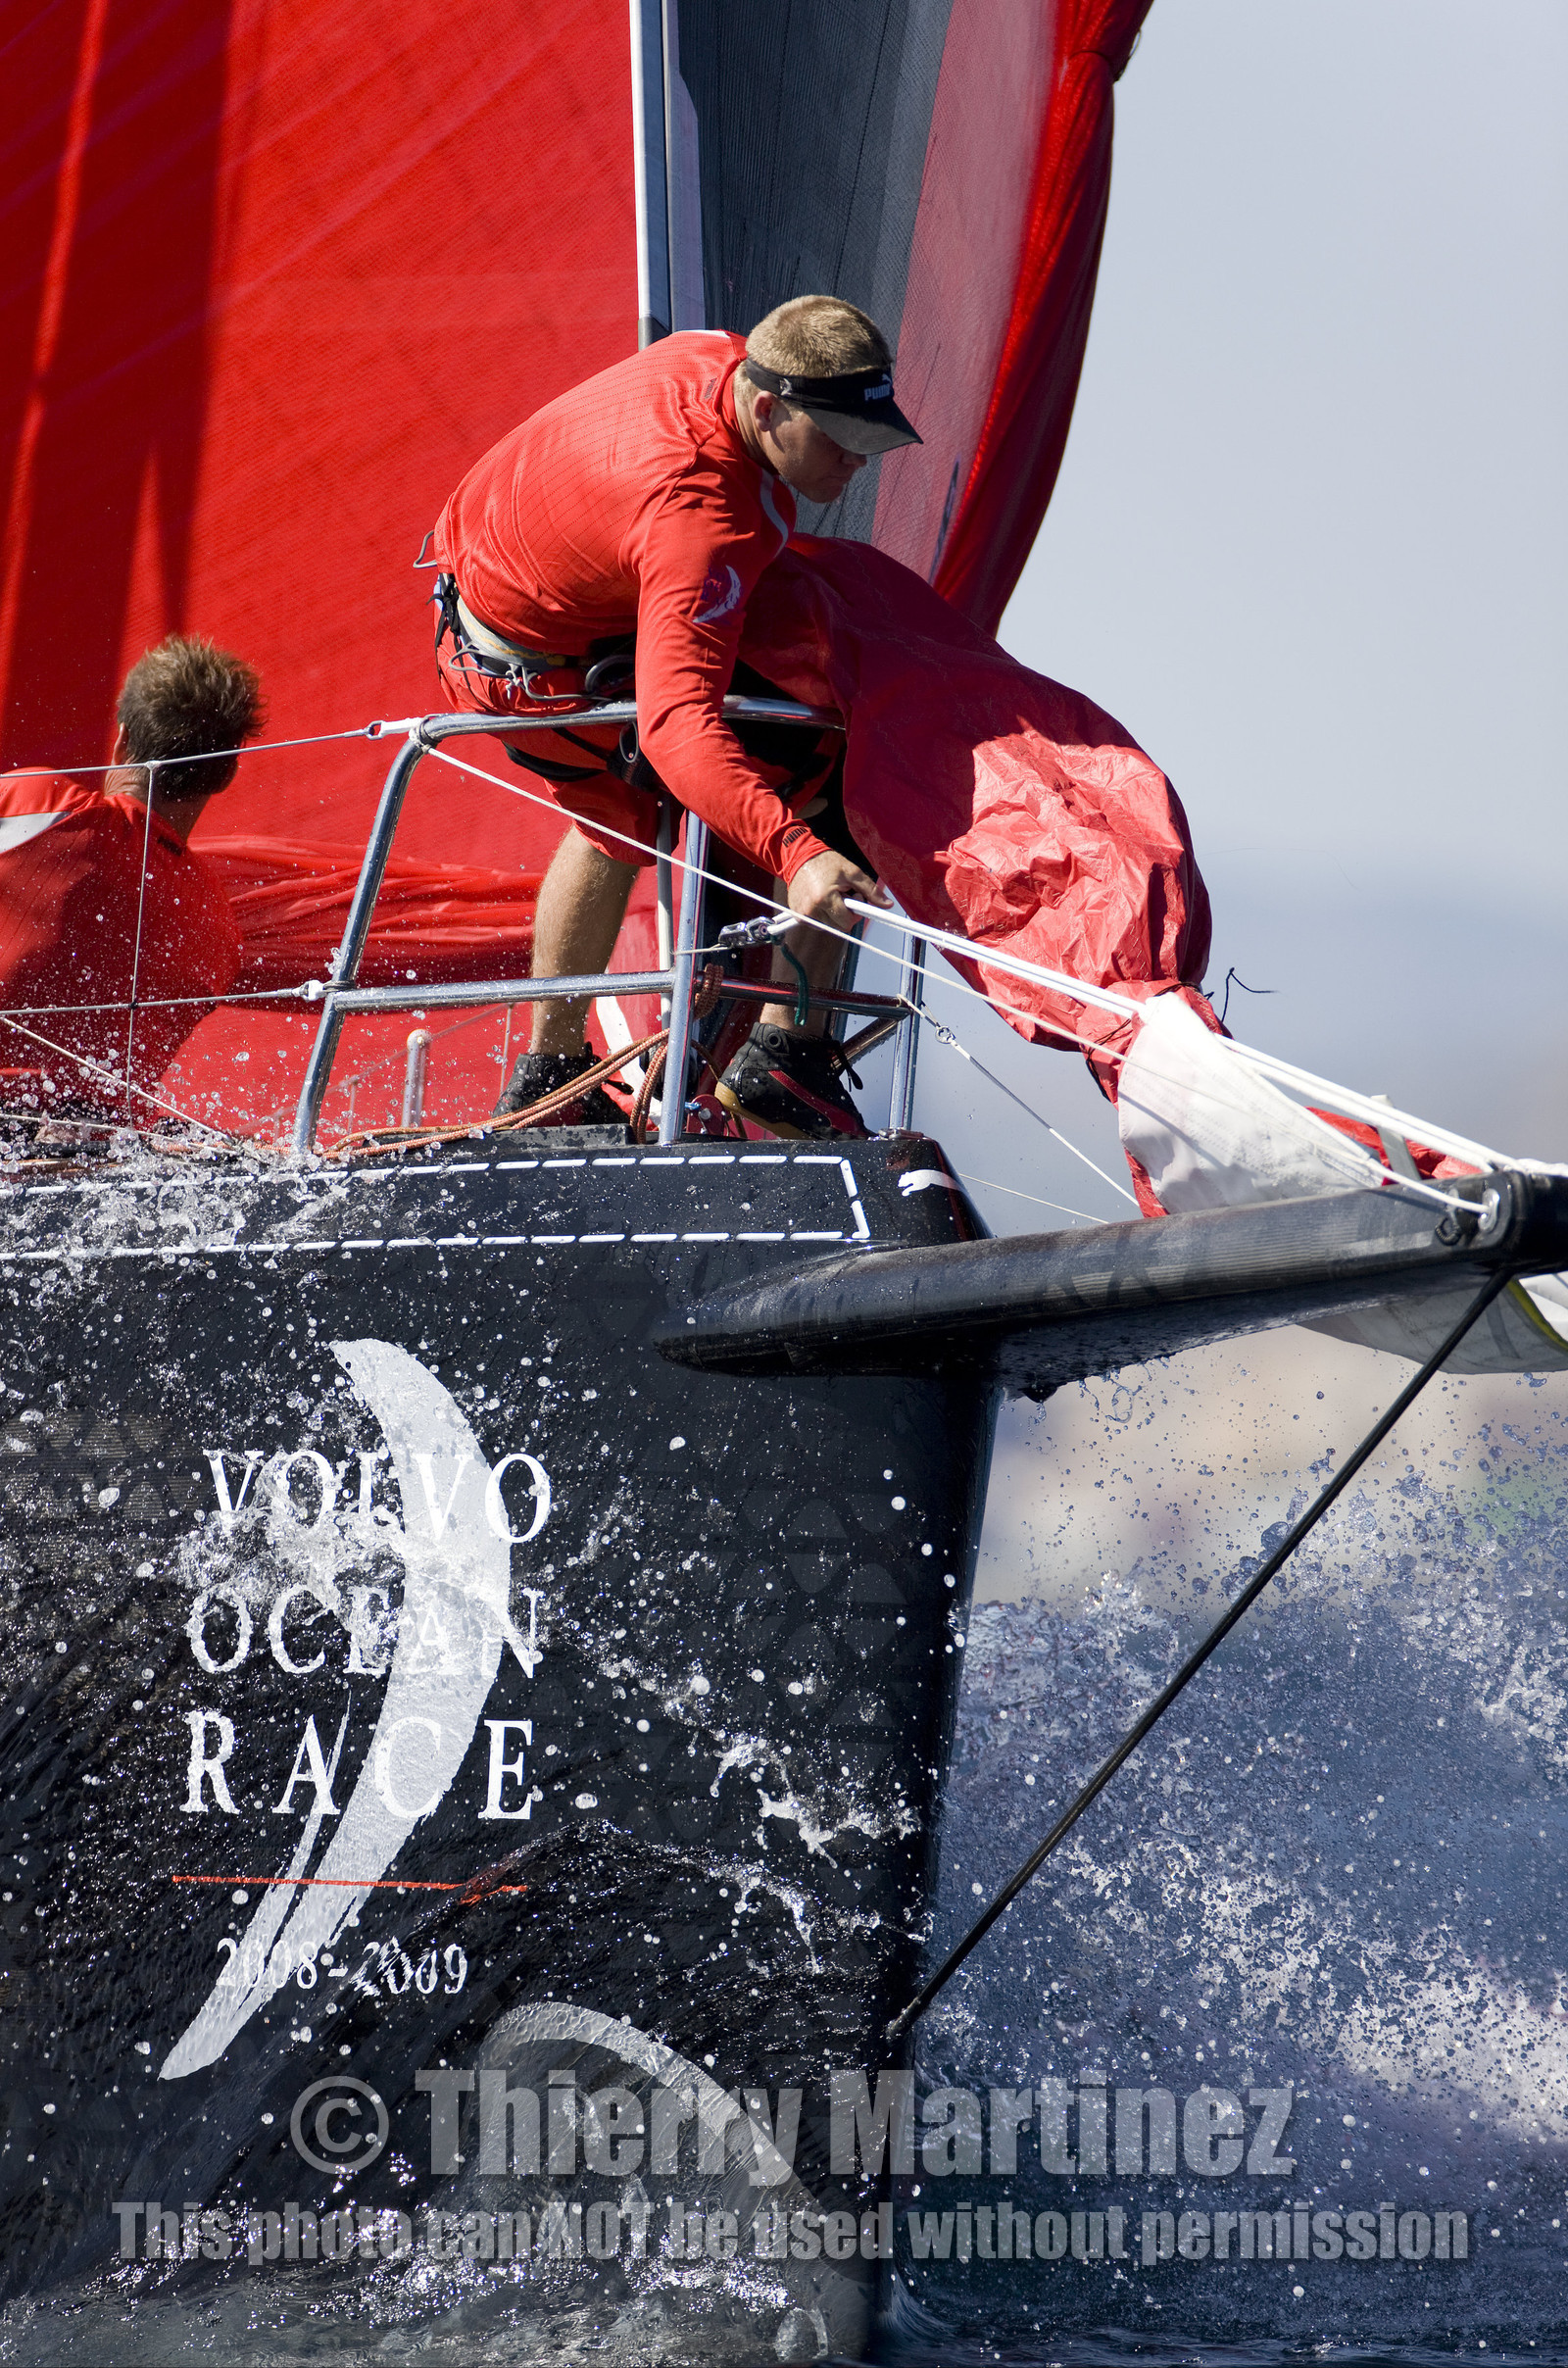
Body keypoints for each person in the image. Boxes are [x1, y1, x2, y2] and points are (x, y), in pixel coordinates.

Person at [428, 295, 919, 1137]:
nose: (857, 461)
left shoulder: (719, 355)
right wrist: (799, 856)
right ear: (766, 410)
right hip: (526, 672)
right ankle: (784, 1058)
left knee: (622, 807)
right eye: (839, 438)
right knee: (836, 759)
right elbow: (674, 727)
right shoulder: (702, 519)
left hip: (494, 597)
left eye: (871, 438)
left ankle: (551, 1074)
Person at [0, 635, 265, 1124]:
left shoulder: (36, 805)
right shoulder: (220, 930)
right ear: (225, 775)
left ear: (122, 739)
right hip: (106, 1149)